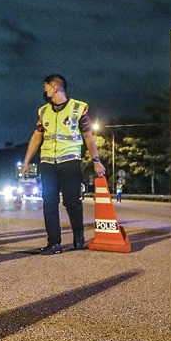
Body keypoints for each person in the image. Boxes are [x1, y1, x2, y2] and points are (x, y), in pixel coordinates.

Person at [21, 74, 105, 254]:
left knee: (71, 201)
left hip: (70, 161)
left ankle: (78, 235)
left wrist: (96, 161)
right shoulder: (43, 111)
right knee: (49, 202)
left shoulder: (78, 109)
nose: (44, 90)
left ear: (55, 87)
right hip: (48, 162)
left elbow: (88, 138)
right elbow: (37, 137)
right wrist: (27, 161)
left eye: (46, 87)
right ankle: (54, 242)